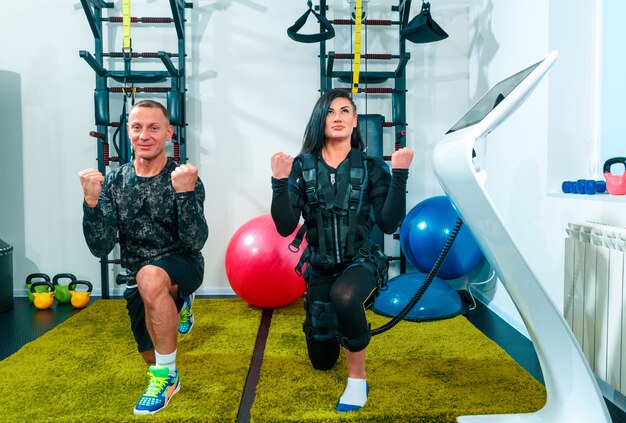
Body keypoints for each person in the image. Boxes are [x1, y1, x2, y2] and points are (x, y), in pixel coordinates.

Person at [270, 88, 413, 412]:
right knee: (321, 360)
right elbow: (284, 226)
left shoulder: (373, 166)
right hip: (321, 267)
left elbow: (389, 223)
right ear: (320, 120)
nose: (338, 117)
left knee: (345, 296)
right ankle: (339, 324)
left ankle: (357, 379)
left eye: (345, 111)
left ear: (355, 121)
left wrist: (400, 174)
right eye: (331, 111)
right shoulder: (301, 166)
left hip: (361, 261)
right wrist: (279, 181)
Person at [78, 99, 208, 415]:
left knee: (151, 277)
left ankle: (168, 378)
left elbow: (196, 241)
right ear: (129, 131)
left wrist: (186, 194)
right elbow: (101, 247)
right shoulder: (114, 181)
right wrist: (91, 203)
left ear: (168, 133)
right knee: (150, 353)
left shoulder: (183, 176)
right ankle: (175, 308)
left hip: (184, 263)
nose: (144, 135)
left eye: (153, 128)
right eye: (138, 127)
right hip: (141, 278)